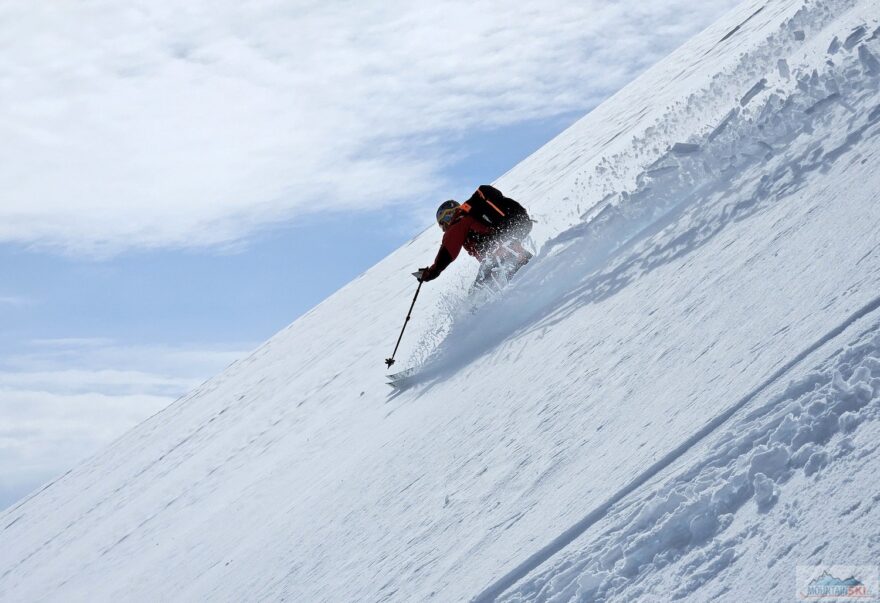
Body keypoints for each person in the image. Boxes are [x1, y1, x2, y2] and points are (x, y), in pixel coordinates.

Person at [416, 185, 533, 289]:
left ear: (450, 214)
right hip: (511, 249)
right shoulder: (471, 216)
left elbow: (447, 252)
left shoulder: (459, 221)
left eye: (444, 221)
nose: (444, 228)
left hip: (499, 256)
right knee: (533, 272)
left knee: (477, 295)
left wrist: (431, 273)